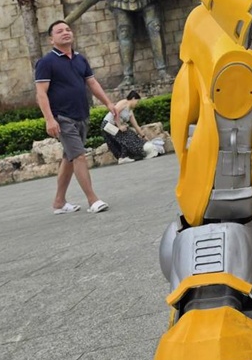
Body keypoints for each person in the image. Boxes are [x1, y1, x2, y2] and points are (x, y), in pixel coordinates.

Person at [35, 20, 116, 214]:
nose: (65, 33)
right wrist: (49, 119)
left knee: (69, 158)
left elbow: (92, 83)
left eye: (68, 29)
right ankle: (93, 200)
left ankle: (59, 202)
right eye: (60, 31)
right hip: (63, 118)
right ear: (51, 39)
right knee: (79, 156)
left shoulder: (80, 59)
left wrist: (108, 103)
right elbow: (41, 93)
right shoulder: (46, 62)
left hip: (81, 115)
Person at [101, 91, 163, 162]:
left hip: (115, 127)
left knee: (131, 134)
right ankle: (123, 157)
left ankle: (129, 155)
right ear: (133, 98)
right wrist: (120, 126)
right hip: (107, 125)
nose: (137, 104)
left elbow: (136, 126)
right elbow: (115, 112)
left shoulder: (130, 112)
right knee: (125, 136)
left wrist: (144, 137)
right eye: (137, 101)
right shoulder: (124, 102)